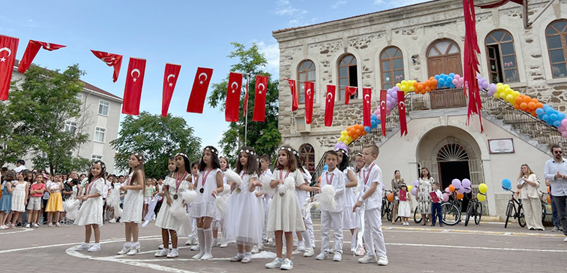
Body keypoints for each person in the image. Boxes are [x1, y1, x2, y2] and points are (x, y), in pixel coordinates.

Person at [265, 145, 306, 270]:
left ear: (290, 157)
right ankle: (278, 258)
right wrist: (278, 181)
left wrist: (313, 189)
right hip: (278, 202)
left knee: (288, 231)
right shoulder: (277, 171)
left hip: (289, 202)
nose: (280, 157)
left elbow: (302, 185)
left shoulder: (296, 172)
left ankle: (288, 259)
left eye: (283, 155)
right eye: (279, 155)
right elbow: (272, 184)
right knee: (278, 231)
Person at [353, 144, 388, 266]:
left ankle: (382, 255)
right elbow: (362, 187)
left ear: (374, 156)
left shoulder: (376, 169)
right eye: (363, 153)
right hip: (364, 204)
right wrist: (358, 201)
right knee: (365, 229)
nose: (363, 156)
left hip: (372, 203)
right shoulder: (363, 170)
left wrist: (361, 199)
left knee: (376, 228)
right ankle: (370, 253)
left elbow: (373, 188)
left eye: (366, 154)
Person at [226, 147, 263, 263]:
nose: (242, 158)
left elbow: (251, 188)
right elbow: (231, 189)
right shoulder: (238, 172)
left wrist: (255, 184)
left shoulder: (251, 173)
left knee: (247, 225)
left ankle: (248, 252)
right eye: (241, 156)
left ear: (250, 158)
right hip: (237, 199)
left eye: (245, 156)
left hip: (247, 200)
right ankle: (239, 252)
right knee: (238, 224)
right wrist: (233, 182)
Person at [155, 154, 193, 258]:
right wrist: (167, 197)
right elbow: (166, 188)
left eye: (180, 159)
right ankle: (165, 248)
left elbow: (190, 191)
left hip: (178, 202)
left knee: (173, 227)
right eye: (176, 160)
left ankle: (175, 249)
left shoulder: (189, 177)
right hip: (168, 202)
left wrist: (184, 201)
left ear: (185, 161)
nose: (177, 161)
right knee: (164, 226)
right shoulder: (172, 175)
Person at [191, 146, 224, 260]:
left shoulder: (216, 171)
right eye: (204, 154)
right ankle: (201, 250)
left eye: (208, 154)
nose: (205, 156)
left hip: (209, 199)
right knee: (199, 224)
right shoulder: (201, 172)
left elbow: (221, 187)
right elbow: (195, 185)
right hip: (199, 199)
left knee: (206, 224)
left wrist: (216, 190)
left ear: (213, 157)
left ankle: (208, 251)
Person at [316, 150, 345, 262]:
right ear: (325, 161)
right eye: (329, 159)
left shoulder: (340, 174)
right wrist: (322, 194)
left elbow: (341, 189)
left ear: (337, 161)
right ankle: (324, 251)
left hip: (336, 204)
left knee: (337, 229)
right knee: (324, 229)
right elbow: (322, 188)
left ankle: (338, 251)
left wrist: (330, 193)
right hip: (325, 205)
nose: (331, 162)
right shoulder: (323, 174)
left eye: (333, 159)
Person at [117, 152, 146, 255]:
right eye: (130, 159)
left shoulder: (138, 172)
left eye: (133, 159)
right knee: (127, 221)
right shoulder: (131, 173)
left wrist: (127, 187)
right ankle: (127, 243)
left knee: (133, 221)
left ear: (139, 162)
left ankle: (135, 244)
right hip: (129, 197)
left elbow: (140, 186)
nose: (130, 160)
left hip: (135, 198)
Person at [74, 161, 106, 252]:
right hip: (89, 202)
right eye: (93, 168)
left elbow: (99, 193)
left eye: (97, 168)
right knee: (87, 223)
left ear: (101, 170)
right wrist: (82, 196)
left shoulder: (100, 180)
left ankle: (97, 243)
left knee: (94, 223)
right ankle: (86, 243)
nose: (95, 170)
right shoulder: (91, 180)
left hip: (95, 203)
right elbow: (88, 192)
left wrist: (88, 196)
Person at [335, 147, 358, 254]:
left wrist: (342, 186)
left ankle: (358, 244)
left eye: (340, 156)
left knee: (351, 223)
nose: (338, 158)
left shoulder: (347, 170)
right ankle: (337, 245)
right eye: (337, 156)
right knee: (337, 223)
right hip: (338, 198)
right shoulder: (334, 171)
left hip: (347, 199)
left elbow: (354, 182)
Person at [544, 144, 567, 241]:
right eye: (556, 152)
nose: (558, 154)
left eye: (560, 152)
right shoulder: (548, 163)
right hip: (557, 192)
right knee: (562, 215)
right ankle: (566, 233)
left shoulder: (566, 162)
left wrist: (564, 177)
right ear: (552, 153)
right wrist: (555, 177)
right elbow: (546, 175)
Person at [516, 164, 544, 230]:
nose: (523, 169)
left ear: (528, 168)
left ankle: (538, 225)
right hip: (525, 196)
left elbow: (536, 184)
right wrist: (522, 182)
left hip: (533, 194)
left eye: (525, 168)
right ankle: (530, 225)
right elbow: (518, 186)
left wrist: (527, 180)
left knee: (536, 211)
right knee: (527, 211)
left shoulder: (533, 176)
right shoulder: (521, 178)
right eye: (522, 168)